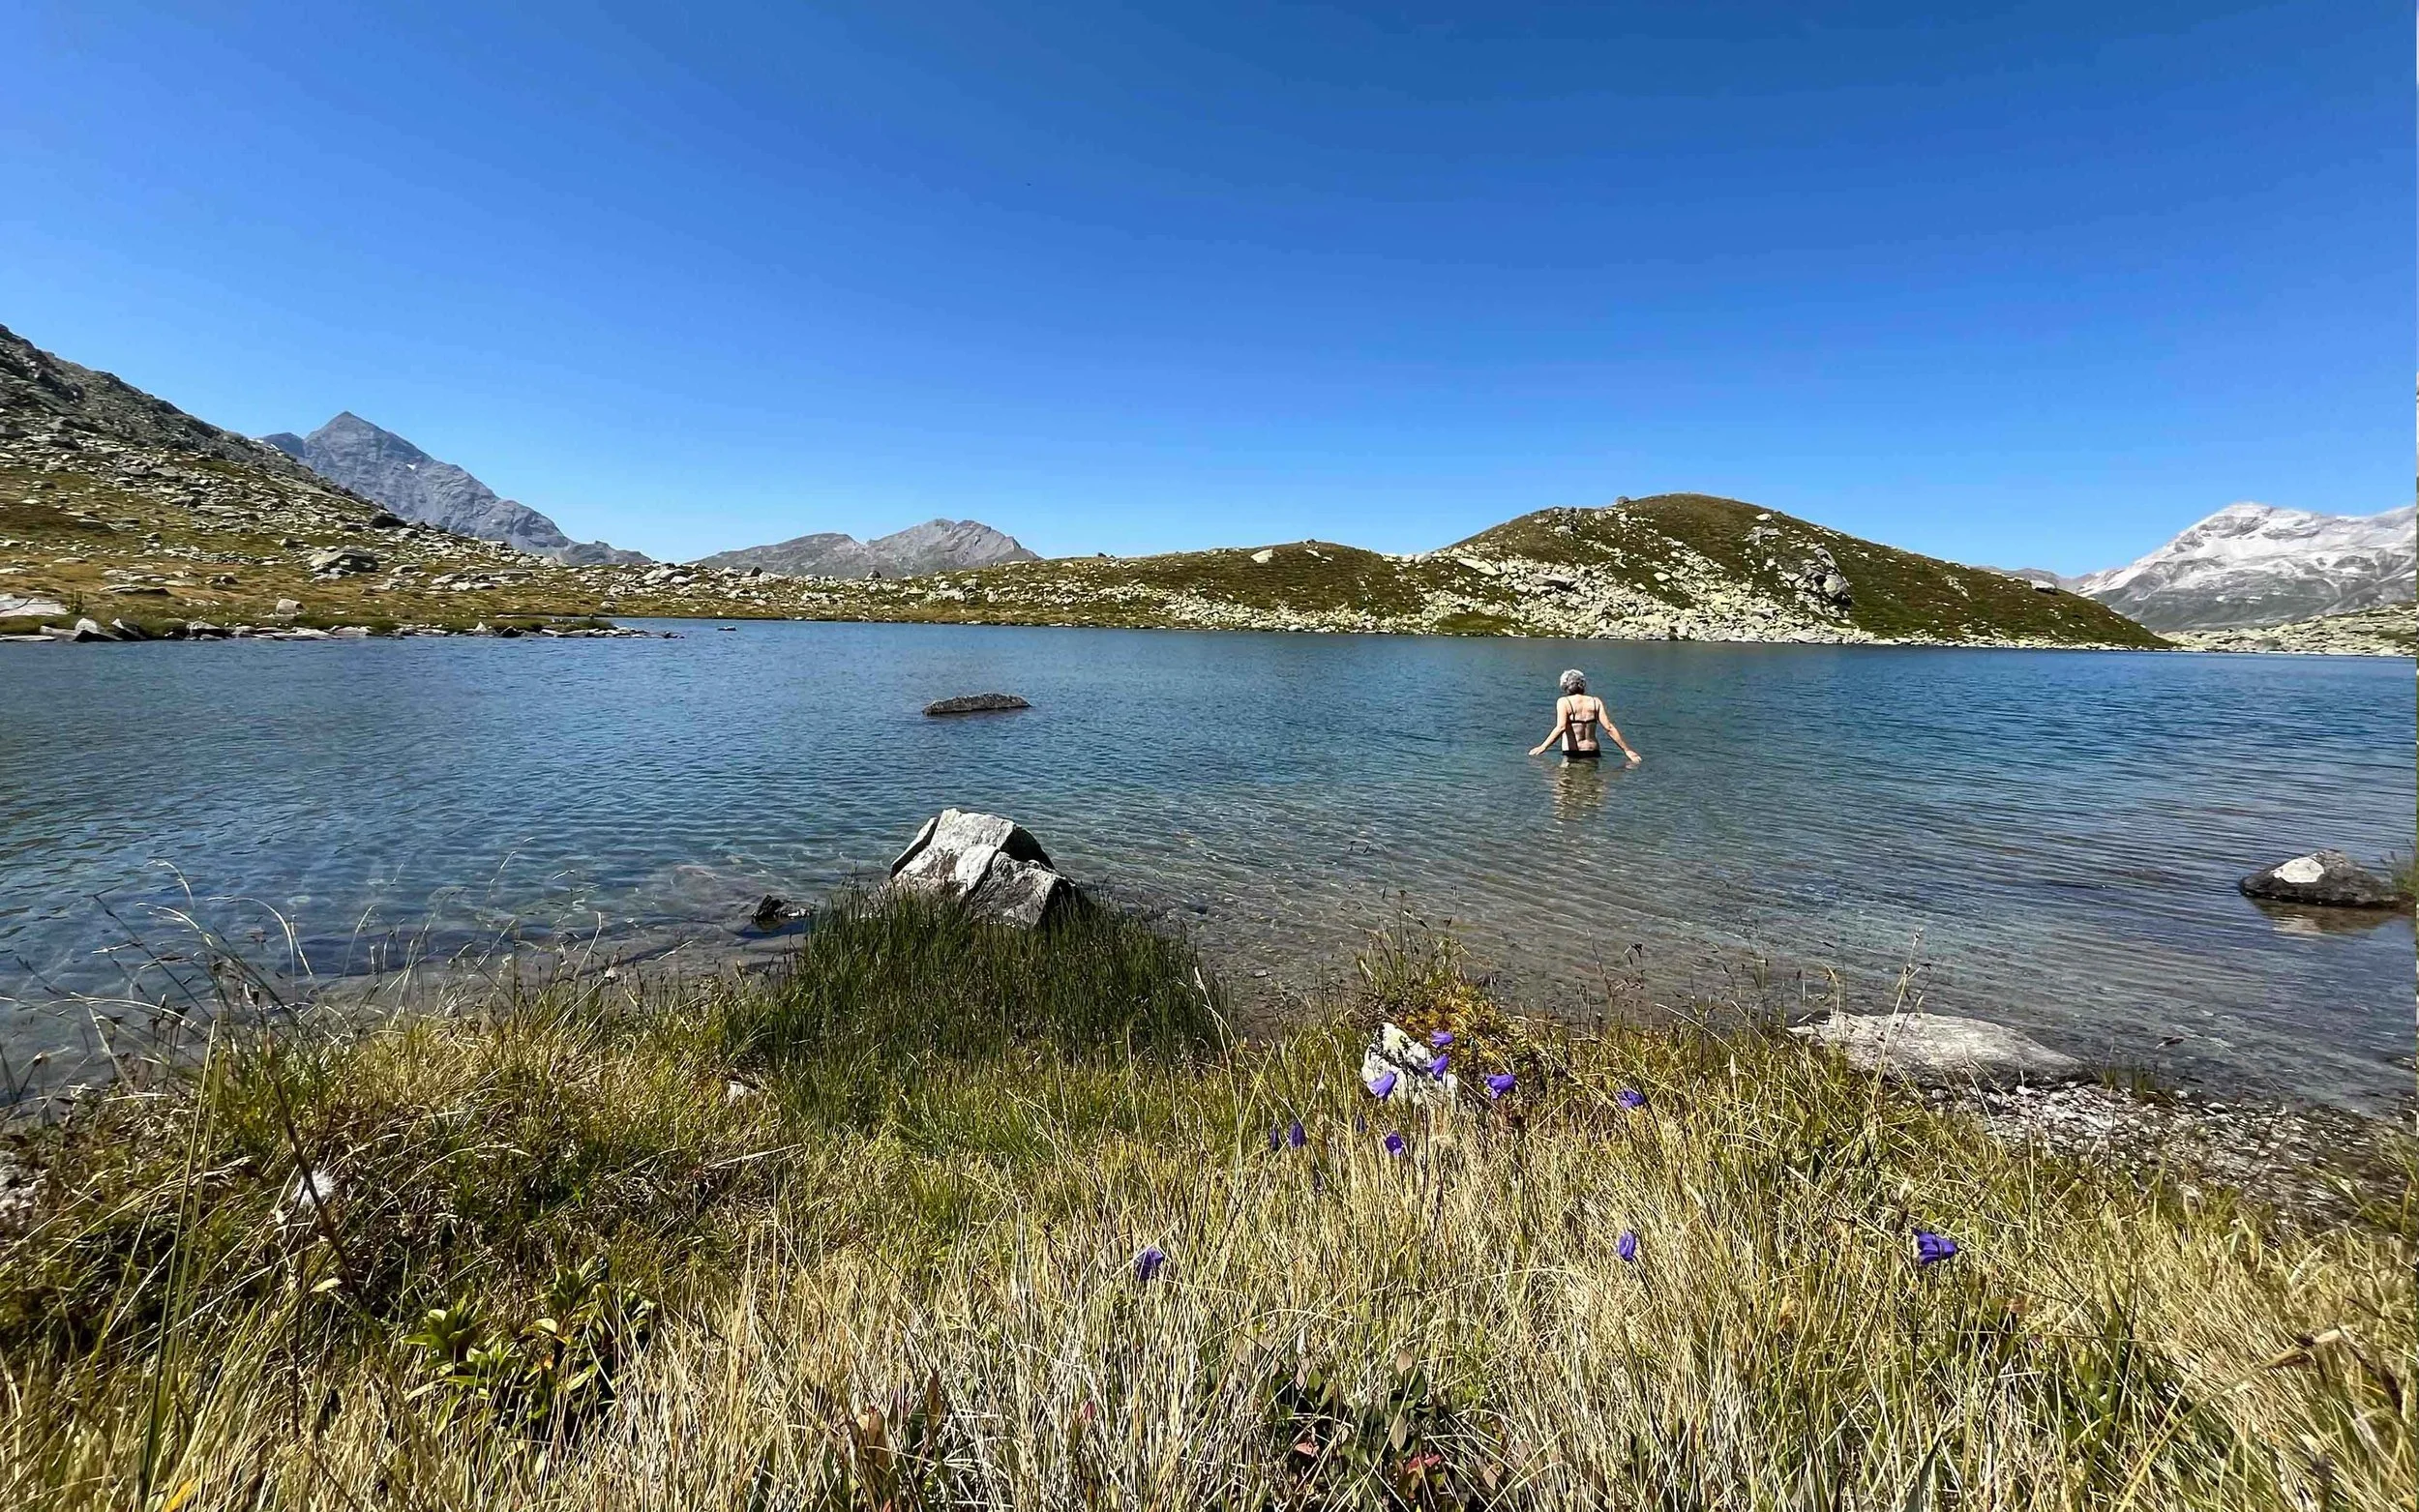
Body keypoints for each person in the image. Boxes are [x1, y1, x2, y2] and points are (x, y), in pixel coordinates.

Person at [1529, 668, 1641, 763]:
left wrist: (1543, 747)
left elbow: (1561, 727)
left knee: (1564, 783)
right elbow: (1609, 728)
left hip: (1572, 753)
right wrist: (1627, 750)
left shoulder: (1564, 702)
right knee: (1591, 782)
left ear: (1565, 685)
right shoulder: (1595, 702)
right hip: (1593, 752)